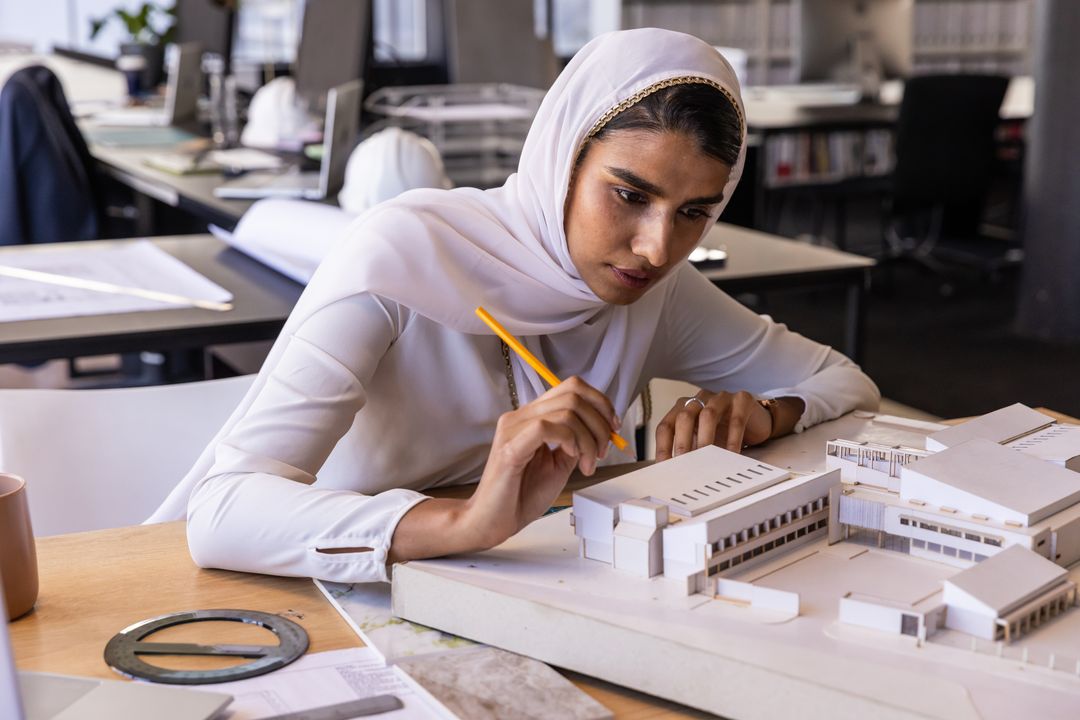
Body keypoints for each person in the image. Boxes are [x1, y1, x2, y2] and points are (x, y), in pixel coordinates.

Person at [149, 28, 879, 582]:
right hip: (326, 584)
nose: (657, 249)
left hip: (521, 588)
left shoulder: (656, 293)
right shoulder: (399, 260)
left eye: (695, 212)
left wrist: (766, 412)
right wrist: (465, 521)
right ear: (561, 159)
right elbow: (221, 513)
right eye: (629, 195)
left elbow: (845, 381)